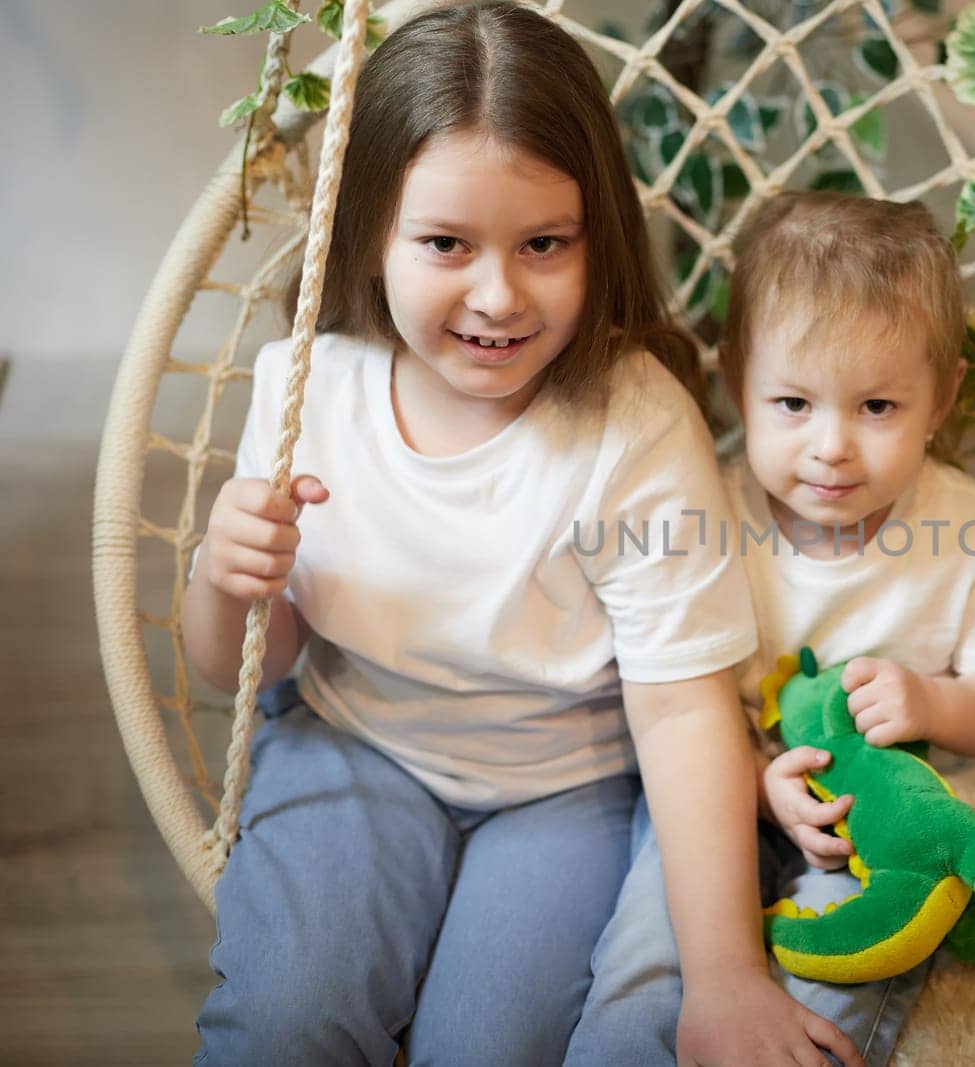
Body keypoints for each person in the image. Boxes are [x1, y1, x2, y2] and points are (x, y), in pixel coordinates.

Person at [181, 6, 862, 1065]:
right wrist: (229, 583)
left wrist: (726, 977)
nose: (497, 294)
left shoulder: (633, 425)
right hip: (357, 745)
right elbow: (236, 671)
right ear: (369, 233)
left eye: (544, 244)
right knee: (284, 1023)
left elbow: (684, 710)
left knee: (485, 1046)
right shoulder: (308, 387)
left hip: (565, 782)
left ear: (598, 238)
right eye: (446, 243)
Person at [568, 192, 975, 1066]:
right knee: (647, 954)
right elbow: (672, 698)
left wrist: (936, 702)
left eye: (877, 408)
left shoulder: (970, 527)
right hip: (722, 798)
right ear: (734, 379)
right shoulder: (700, 507)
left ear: (939, 400)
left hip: (889, 832)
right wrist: (756, 784)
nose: (832, 446)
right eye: (793, 403)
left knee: (845, 977)